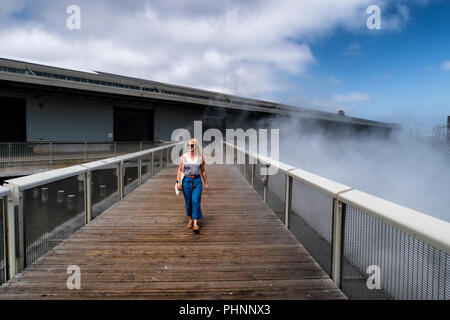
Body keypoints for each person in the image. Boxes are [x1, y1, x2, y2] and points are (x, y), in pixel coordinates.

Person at [176, 138, 208, 233]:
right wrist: (178, 182)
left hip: (197, 181)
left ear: (196, 146)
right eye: (189, 145)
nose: (190, 147)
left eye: (192, 145)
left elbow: (203, 170)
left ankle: (195, 223)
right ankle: (190, 220)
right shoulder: (184, 157)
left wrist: (206, 183)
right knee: (188, 202)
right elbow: (180, 170)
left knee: (196, 201)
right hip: (186, 180)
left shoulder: (200, 157)